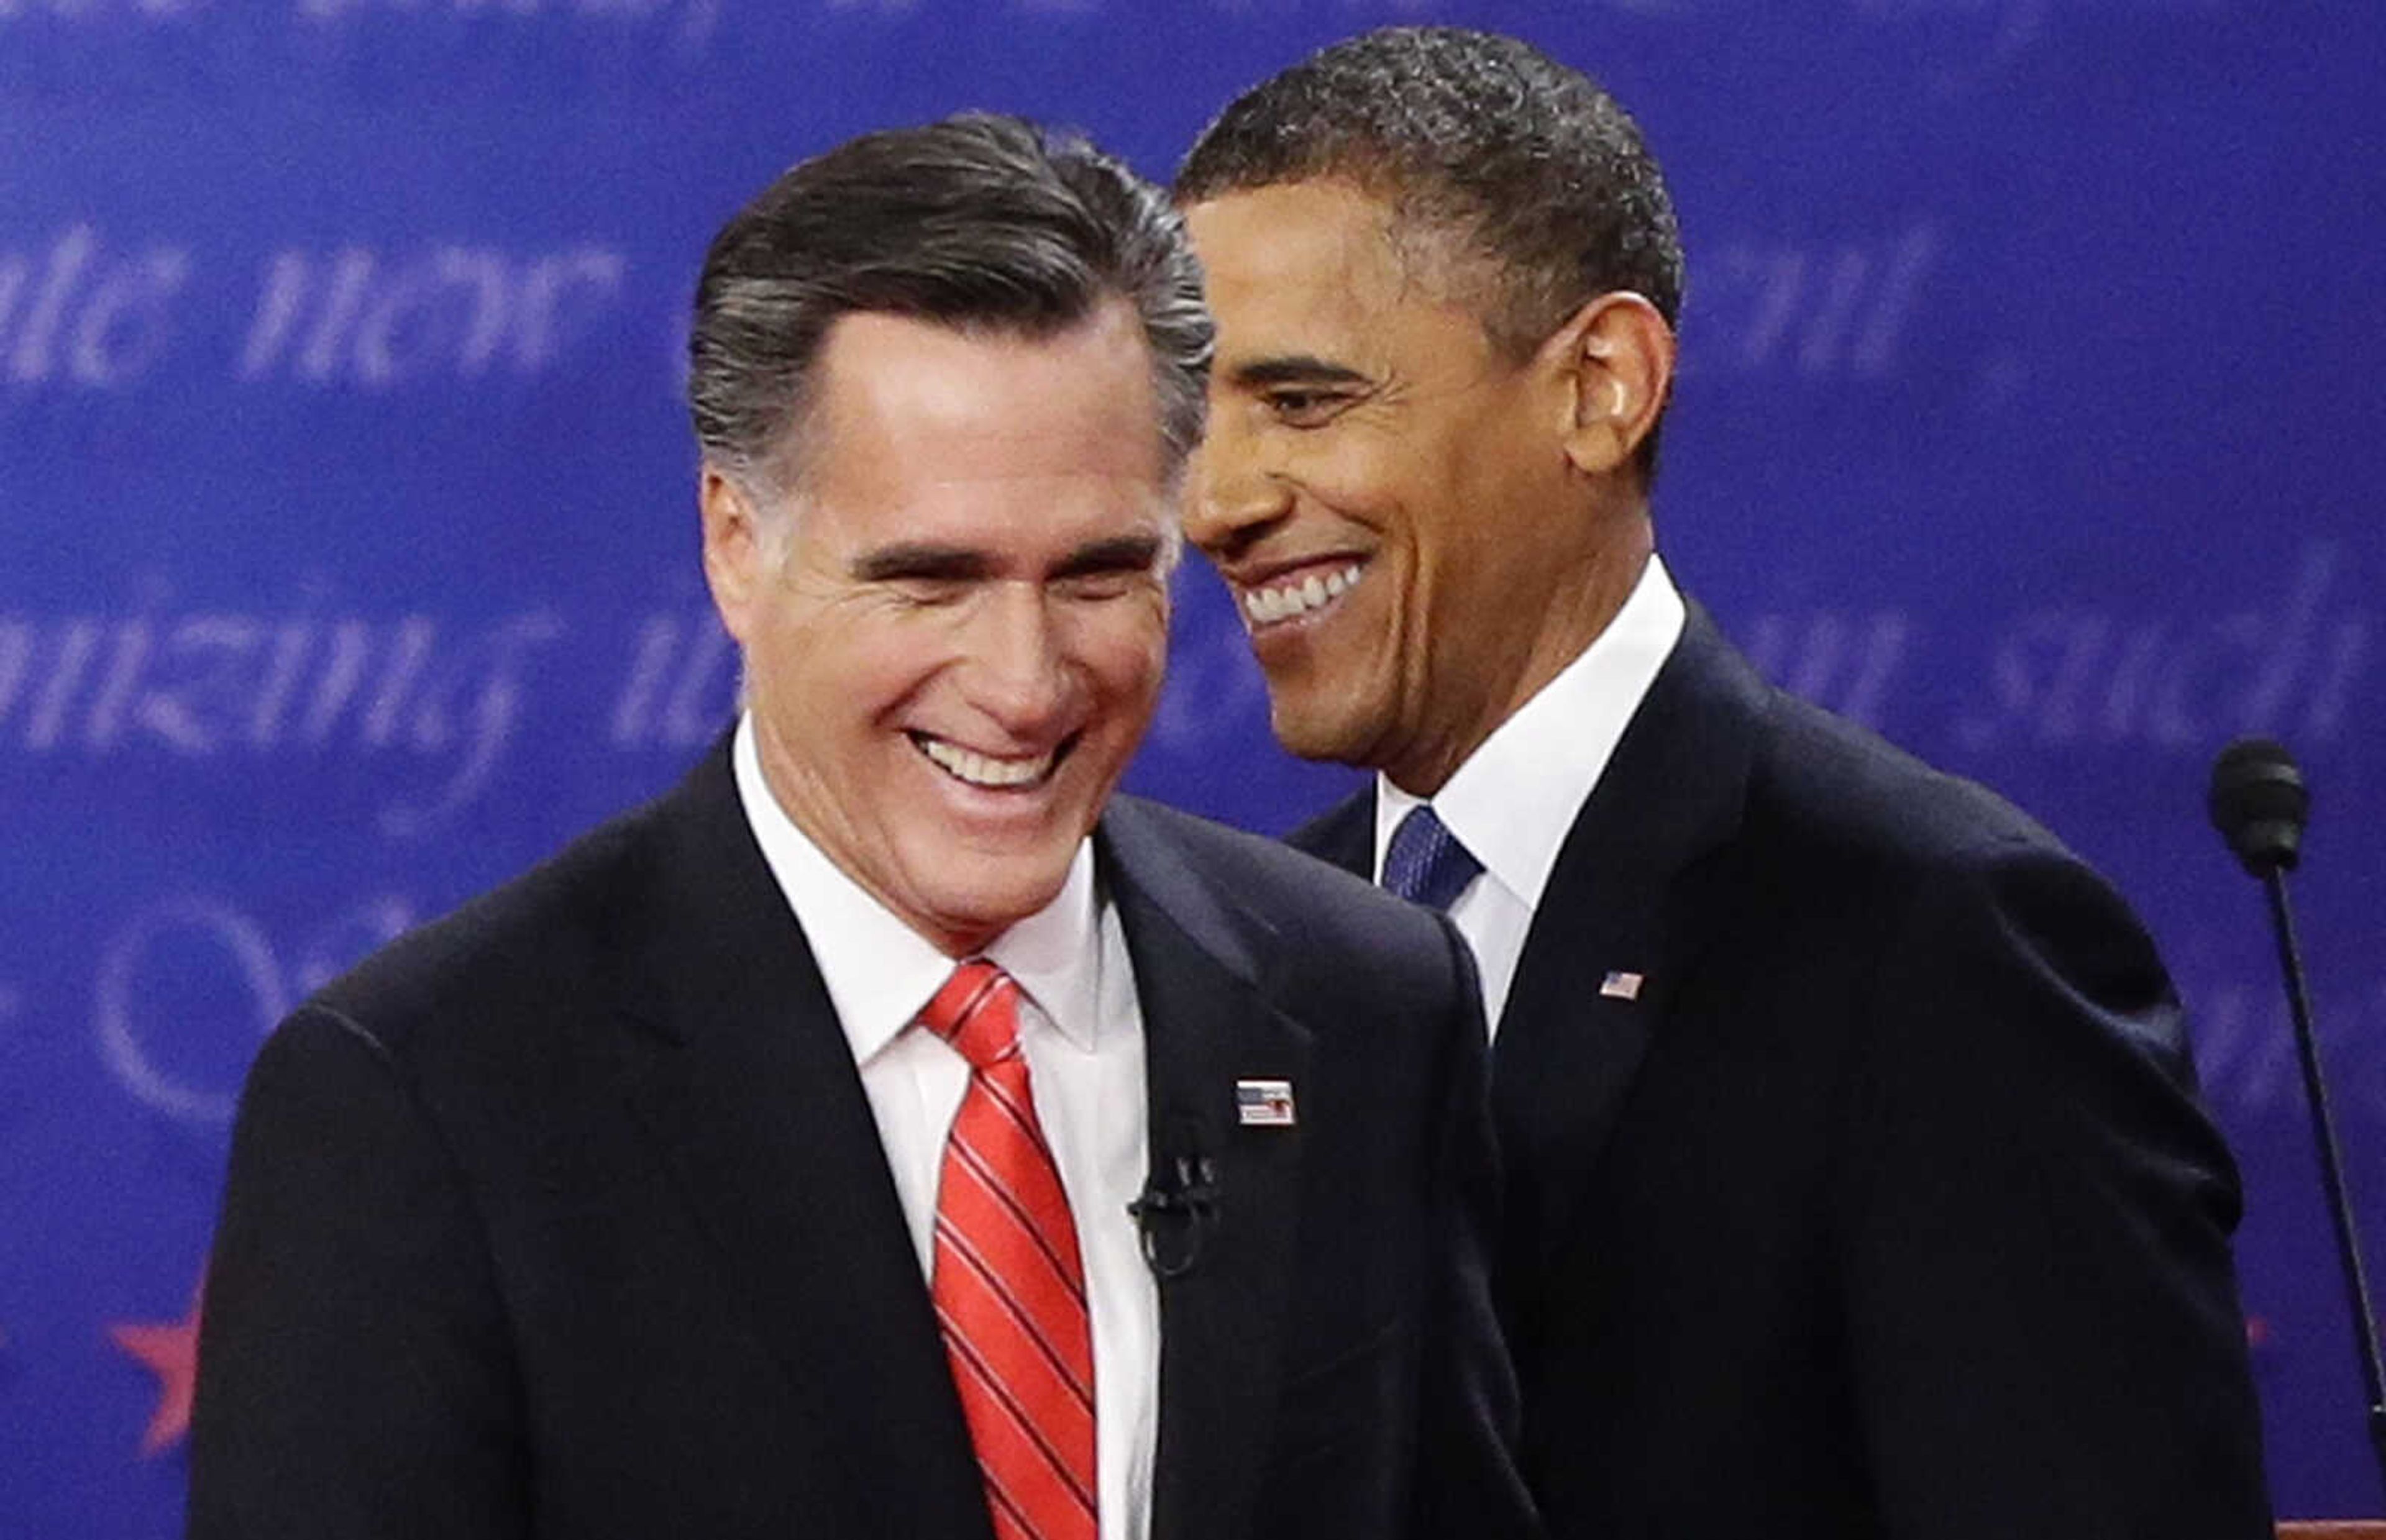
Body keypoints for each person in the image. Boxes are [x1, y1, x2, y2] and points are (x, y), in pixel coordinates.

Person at [188, 113, 1534, 1540]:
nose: (1023, 683)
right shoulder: (430, 1103)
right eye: (929, 580)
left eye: (1096, 574)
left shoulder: (1369, 1005)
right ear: (735, 543)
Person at [1176, 27, 2271, 1540]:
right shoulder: (1254, 955)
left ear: (1600, 388)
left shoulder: (1930, 942)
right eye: (1195, 416)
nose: (1215, 502)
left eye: (1301, 403)